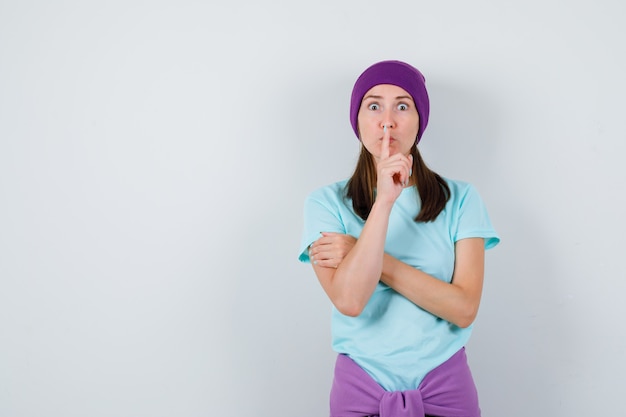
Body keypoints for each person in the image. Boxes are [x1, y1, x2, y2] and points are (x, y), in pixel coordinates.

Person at [298, 60, 500, 417]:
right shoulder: (325, 203)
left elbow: (464, 309)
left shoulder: (462, 199)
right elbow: (349, 300)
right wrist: (385, 202)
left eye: (402, 106)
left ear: (419, 120)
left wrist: (362, 253)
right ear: (357, 120)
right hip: (360, 390)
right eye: (373, 105)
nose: (387, 120)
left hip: (446, 388)